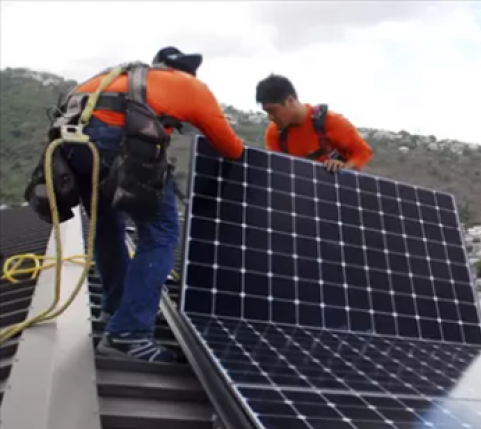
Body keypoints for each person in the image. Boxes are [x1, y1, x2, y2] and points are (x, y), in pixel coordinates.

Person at [64, 47, 244, 363]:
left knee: (107, 225)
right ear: (187, 72)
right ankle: (129, 333)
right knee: (161, 234)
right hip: (113, 145)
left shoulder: (119, 76)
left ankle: (116, 310)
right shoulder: (190, 87)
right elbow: (232, 148)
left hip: (71, 147)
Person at [255, 74, 373, 172]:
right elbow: (279, 169)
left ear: (290, 101)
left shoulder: (331, 121)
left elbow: (363, 152)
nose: (270, 117)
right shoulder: (275, 134)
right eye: (267, 112)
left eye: (273, 111)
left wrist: (343, 170)